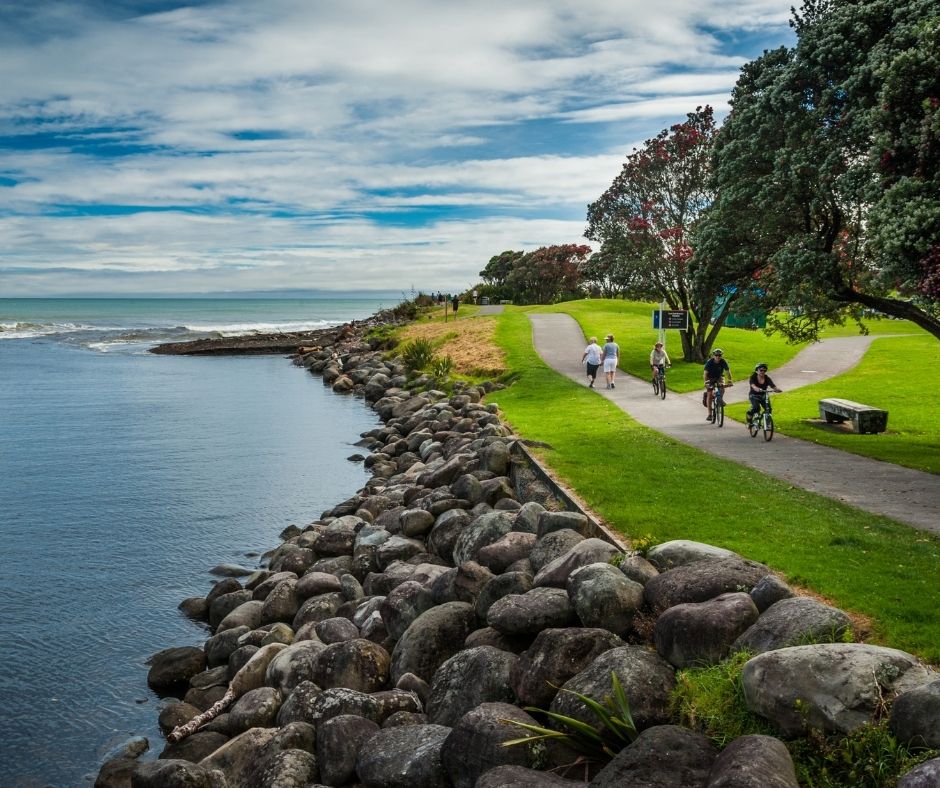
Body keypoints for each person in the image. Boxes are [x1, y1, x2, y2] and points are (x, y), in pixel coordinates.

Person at [703, 348, 732, 421]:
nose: (718, 357)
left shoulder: (723, 361)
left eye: (719, 355)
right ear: (713, 356)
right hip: (710, 377)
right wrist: (706, 382)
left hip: (719, 377)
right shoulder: (709, 362)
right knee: (709, 394)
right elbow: (705, 374)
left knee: (722, 387)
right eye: (716, 355)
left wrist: (729, 380)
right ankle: (709, 414)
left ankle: (720, 400)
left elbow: (727, 371)